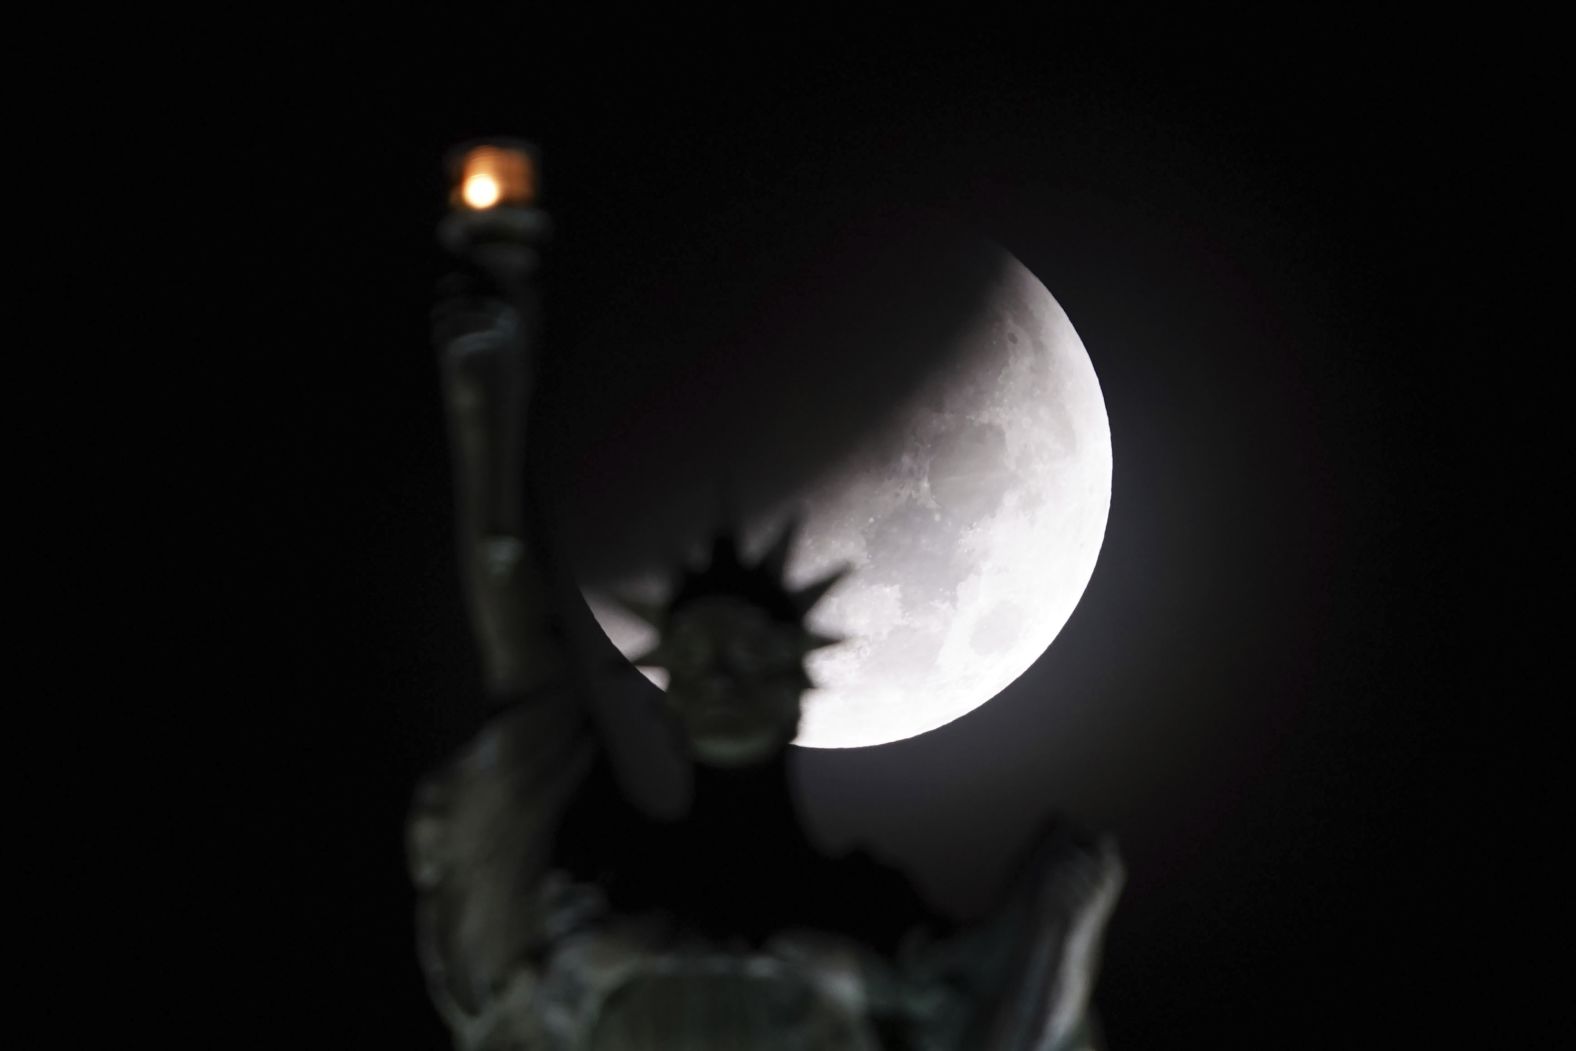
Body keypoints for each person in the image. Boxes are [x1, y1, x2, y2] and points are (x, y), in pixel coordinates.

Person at [408, 141, 1121, 1050]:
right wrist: (484, 388)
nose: (721, 676)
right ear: (663, 673)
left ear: (799, 678)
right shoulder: (604, 886)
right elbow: (518, 624)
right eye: (701, 651)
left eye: (744, 650)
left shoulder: (864, 917)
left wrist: (1059, 930)